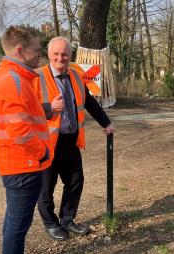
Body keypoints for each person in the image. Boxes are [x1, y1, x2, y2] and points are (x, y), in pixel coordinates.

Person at [34, 36, 114, 241]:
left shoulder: (77, 76)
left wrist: (106, 123)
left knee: (76, 181)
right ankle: (50, 224)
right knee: (46, 187)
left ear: (70, 55)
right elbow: (26, 111)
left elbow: (89, 102)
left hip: (70, 141)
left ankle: (67, 220)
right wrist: (49, 108)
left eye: (64, 54)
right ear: (49, 55)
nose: (60, 58)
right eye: (56, 54)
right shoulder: (36, 77)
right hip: (45, 143)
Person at [0, 26, 53, 254]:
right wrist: (42, 151)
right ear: (19, 50)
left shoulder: (12, 77)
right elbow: (20, 130)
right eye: (36, 49)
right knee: (17, 227)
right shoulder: (13, 81)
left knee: (14, 222)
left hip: (17, 163)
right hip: (24, 165)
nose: (39, 54)